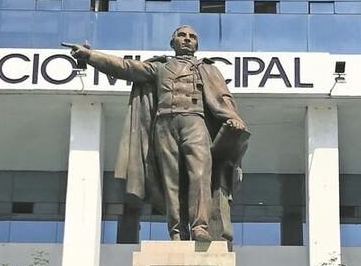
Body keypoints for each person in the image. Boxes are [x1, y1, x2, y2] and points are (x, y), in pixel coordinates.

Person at [64, 25, 248, 242]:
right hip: (164, 124)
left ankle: (200, 226)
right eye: (182, 35)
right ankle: (178, 231)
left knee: (200, 174)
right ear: (173, 42)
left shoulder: (208, 69)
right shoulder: (159, 67)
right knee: (171, 180)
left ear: (197, 44)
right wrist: (90, 56)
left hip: (195, 121)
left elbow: (223, 97)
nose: (187, 39)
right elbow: (125, 67)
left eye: (192, 37)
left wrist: (233, 116)